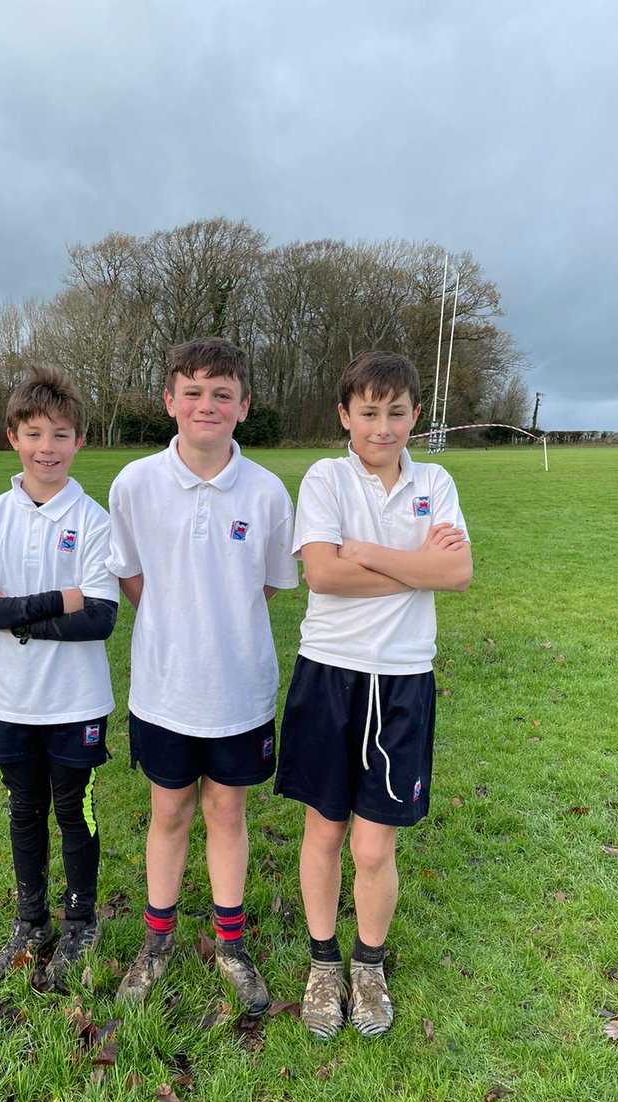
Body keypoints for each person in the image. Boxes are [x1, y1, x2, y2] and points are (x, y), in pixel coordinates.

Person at [274, 350, 472, 1038]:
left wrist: (370, 552)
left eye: (395, 413)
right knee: (325, 831)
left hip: (404, 679)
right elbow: (324, 576)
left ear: (415, 415)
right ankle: (324, 963)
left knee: (373, 846)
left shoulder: (436, 480)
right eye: (368, 413)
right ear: (345, 416)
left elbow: (460, 572)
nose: (381, 427)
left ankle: (368, 965)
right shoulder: (326, 477)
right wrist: (420, 567)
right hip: (330, 672)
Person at [107, 337, 297, 1014]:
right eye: (192, 392)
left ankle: (230, 942)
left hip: (239, 689)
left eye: (222, 394)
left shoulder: (269, 492)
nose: (206, 405)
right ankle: (157, 942)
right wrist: (173, 621)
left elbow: (269, 584)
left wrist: (219, 623)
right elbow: (130, 575)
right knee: (168, 811)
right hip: (164, 687)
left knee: (227, 809)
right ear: (169, 401)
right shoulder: (133, 483)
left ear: (243, 406)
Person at [0, 365, 118, 988]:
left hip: (76, 700)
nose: (46, 448)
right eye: (34, 434)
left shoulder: (96, 521)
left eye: (59, 435)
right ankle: (33, 922)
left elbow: (100, 618)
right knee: (24, 811)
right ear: (12, 438)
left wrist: (15, 611)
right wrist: (55, 600)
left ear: (79, 441)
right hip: (12, 699)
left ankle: (81, 921)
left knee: (74, 812)